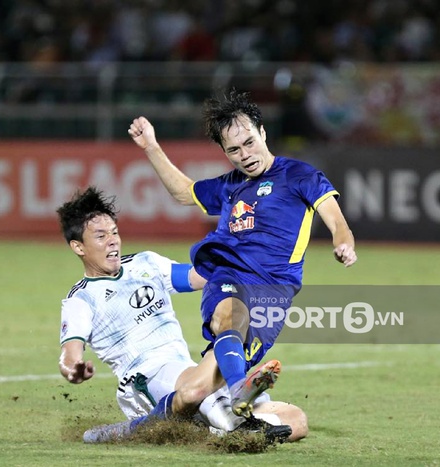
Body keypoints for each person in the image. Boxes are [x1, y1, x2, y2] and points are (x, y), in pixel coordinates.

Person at [128, 88, 357, 418]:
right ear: (225, 152)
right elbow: (183, 193)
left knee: (195, 391)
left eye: (249, 142)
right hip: (228, 275)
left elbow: (336, 219)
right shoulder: (229, 185)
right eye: (233, 150)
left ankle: (129, 429)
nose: (244, 154)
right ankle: (240, 389)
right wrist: (151, 146)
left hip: (273, 291)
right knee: (230, 315)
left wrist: (343, 242)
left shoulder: (300, 175)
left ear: (263, 133)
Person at [57, 186, 308, 443]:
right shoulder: (81, 299)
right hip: (146, 379)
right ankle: (230, 408)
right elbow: (70, 353)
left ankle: (221, 425)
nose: (113, 240)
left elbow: (199, 276)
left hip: (185, 372)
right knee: (200, 387)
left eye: (115, 232)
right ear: (78, 247)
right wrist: (73, 368)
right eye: (101, 236)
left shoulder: (145, 263)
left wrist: (253, 263)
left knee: (296, 420)